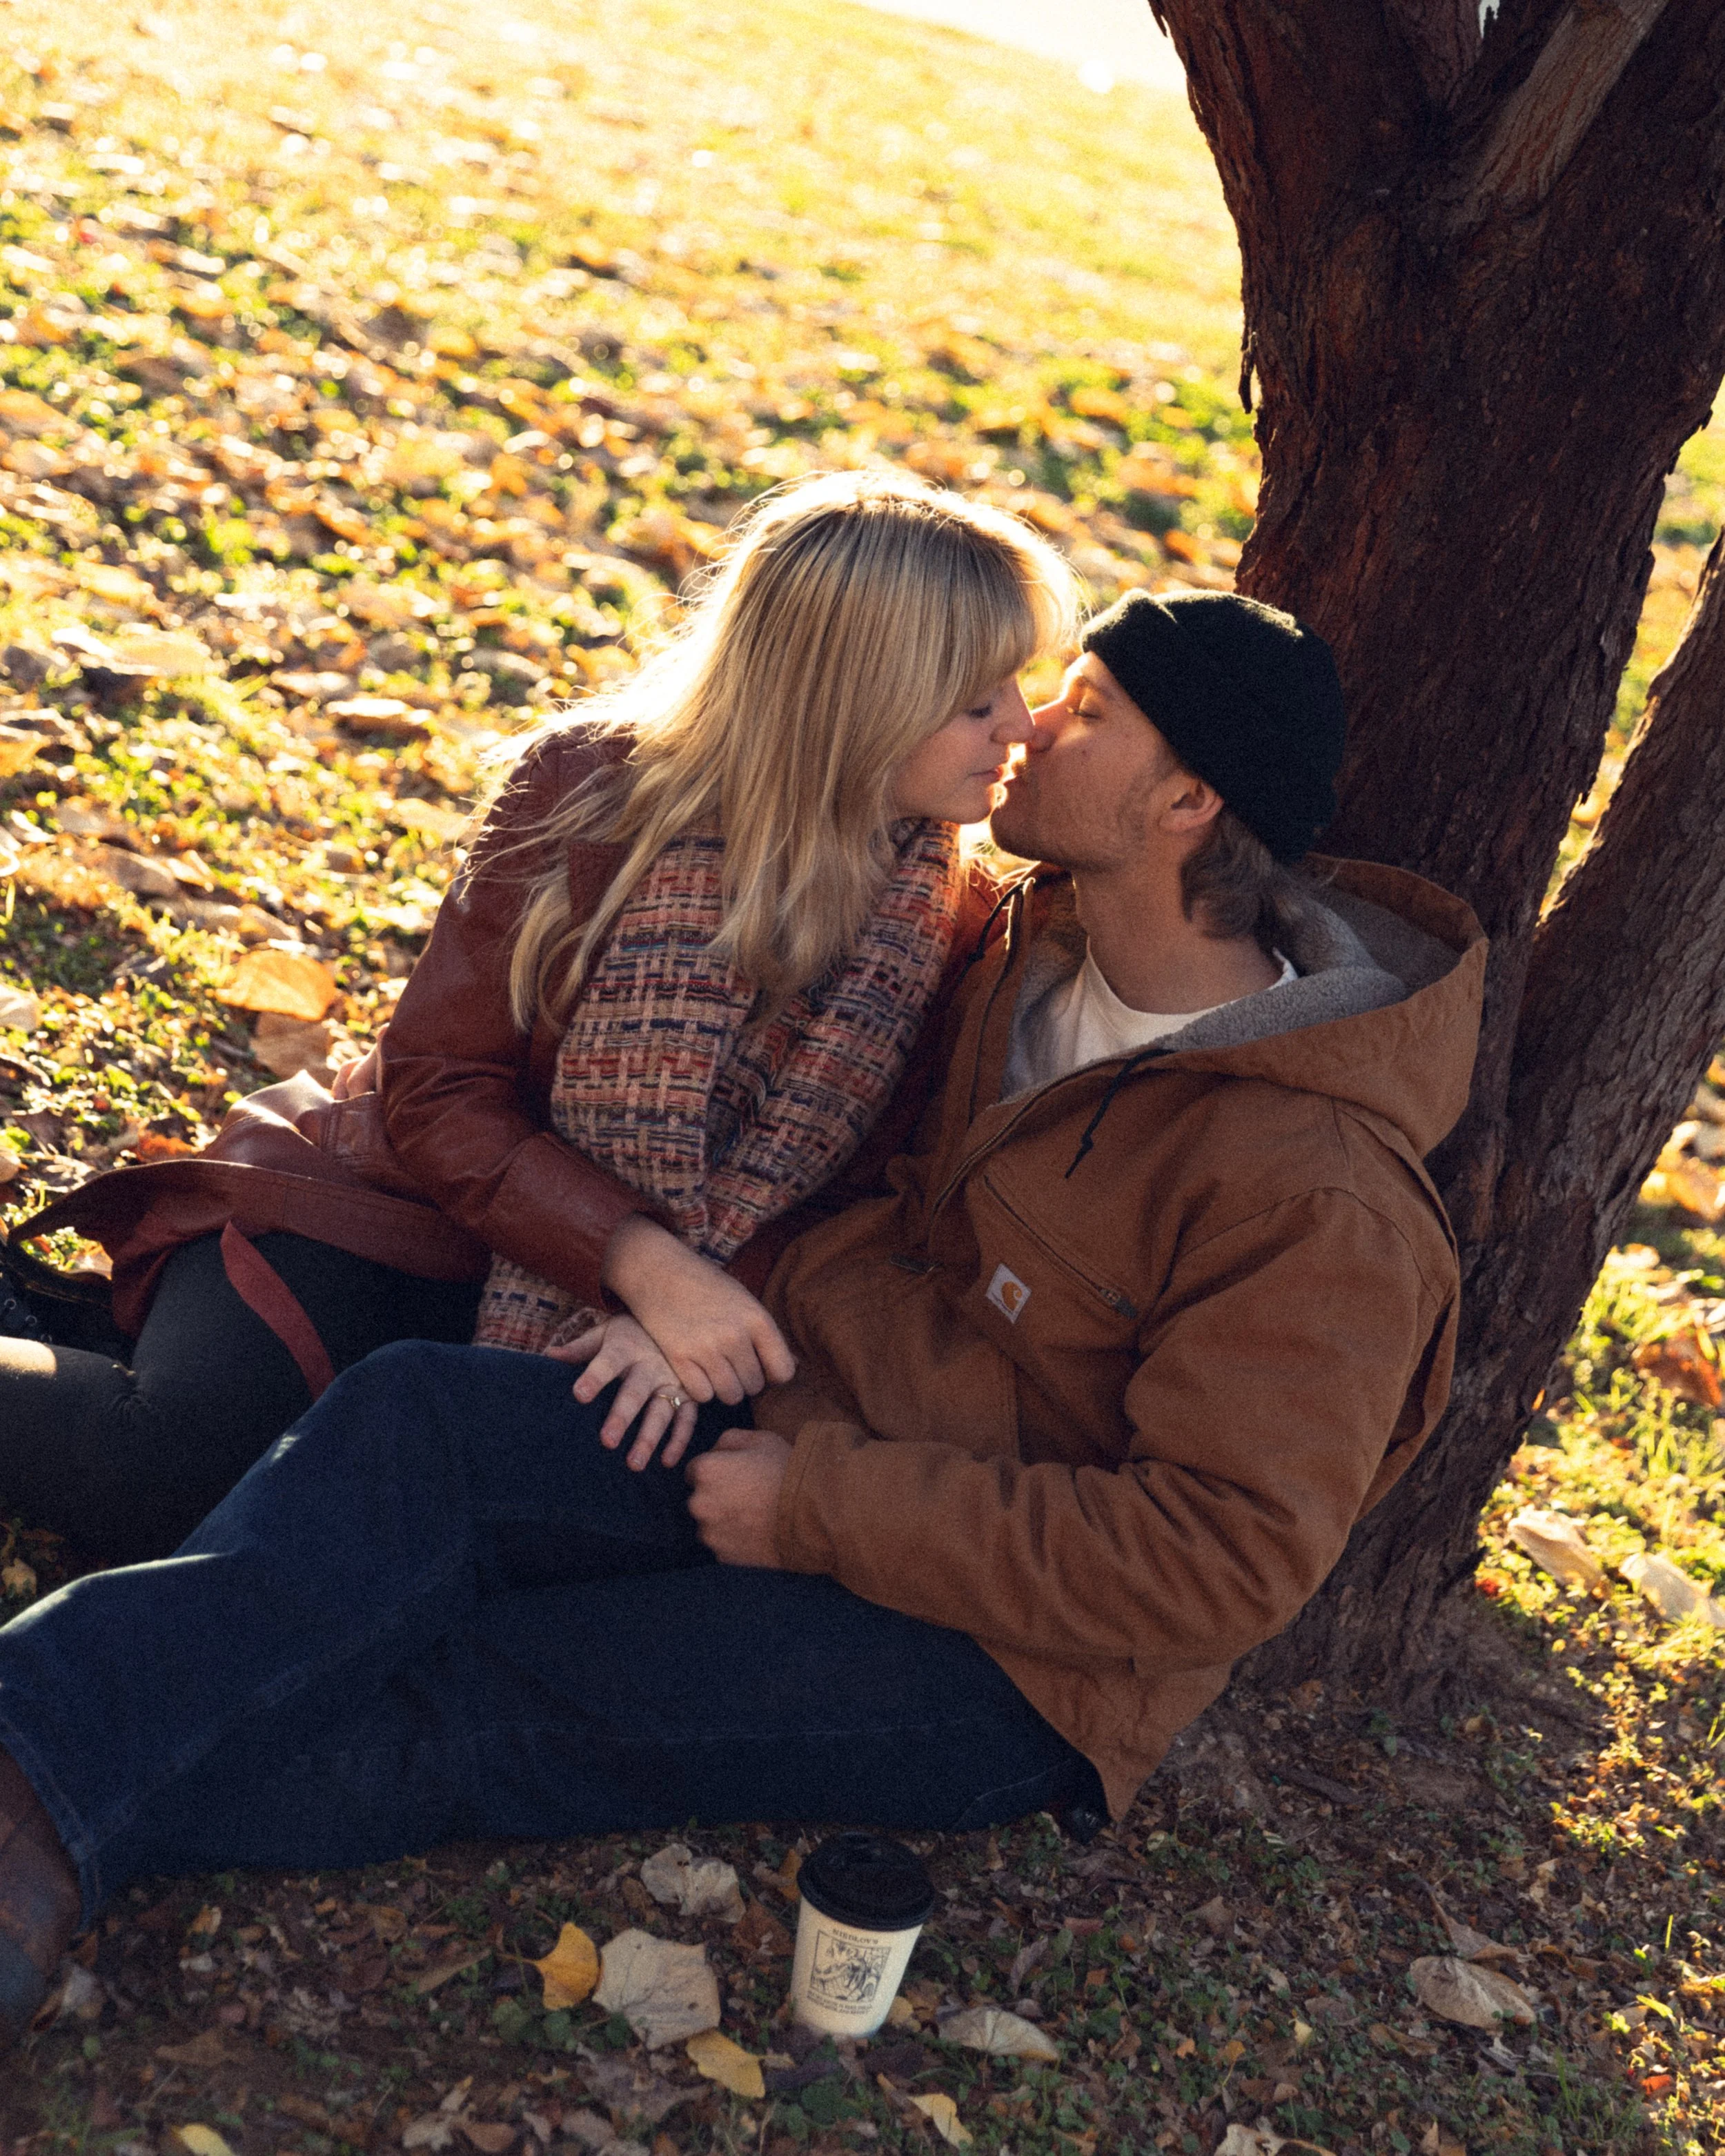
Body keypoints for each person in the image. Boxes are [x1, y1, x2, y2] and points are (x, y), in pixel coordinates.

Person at [0, 589, 1486, 2046]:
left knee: (473, 1684)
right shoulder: (1031, 957)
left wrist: (822, 1504)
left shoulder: (1317, 1189)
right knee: (419, 1421)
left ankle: (45, 1831)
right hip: (813, 1422)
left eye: (1085, 711)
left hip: (1009, 1662)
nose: (1031, 722)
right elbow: (860, 1203)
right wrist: (694, 1291)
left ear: (1184, 801)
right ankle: (32, 1771)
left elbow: (1214, 1562)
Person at [0, 472, 1078, 1560]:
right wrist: (648, 1267)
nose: (1022, 727)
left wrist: (707, 1308)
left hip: (621, 1332)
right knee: (166, 1470)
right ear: (857, 695)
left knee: (368, 1548)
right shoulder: (597, 791)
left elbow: (868, 1201)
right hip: (388, 1215)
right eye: (977, 698)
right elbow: (437, 1089)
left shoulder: (962, 923)